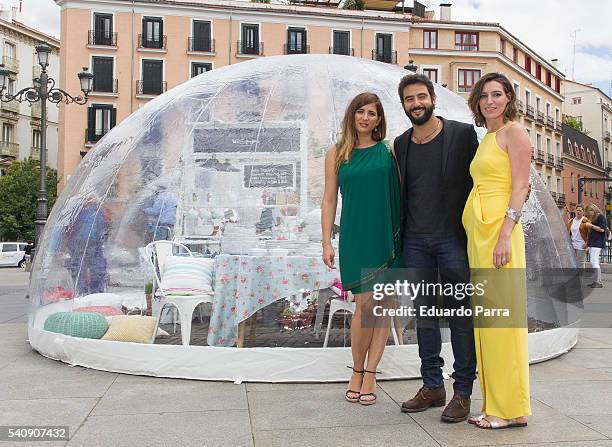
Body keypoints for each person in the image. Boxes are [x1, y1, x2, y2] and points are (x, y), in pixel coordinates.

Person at [394, 74, 478, 423]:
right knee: (424, 318)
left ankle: (462, 391)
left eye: (421, 97)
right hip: (415, 241)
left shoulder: (461, 134)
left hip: (452, 240)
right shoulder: (401, 144)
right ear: (403, 105)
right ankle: (432, 385)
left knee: (460, 316)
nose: (416, 104)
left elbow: (482, 178)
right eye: (409, 99)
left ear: (433, 99)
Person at [321, 92, 402, 406]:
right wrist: (326, 240)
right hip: (355, 236)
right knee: (363, 306)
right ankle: (356, 369)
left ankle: (371, 373)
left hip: (387, 236)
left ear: (379, 120)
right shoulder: (337, 153)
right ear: (352, 115)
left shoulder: (389, 152)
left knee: (382, 307)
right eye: (361, 112)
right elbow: (329, 199)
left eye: (373, 113)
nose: (366, 117)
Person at [463, 72, 531, 429]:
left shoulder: (514, 132)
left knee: (500, 322)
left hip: (498, 234)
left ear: (508, 99)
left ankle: (505, 410)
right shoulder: (487, 137)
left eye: (496, 94)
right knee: (490, 323)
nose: (489, 100)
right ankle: (507, 406)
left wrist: (506, 233)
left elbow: (521, 186)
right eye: (484, 95)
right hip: (481, 234)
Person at [584, 203, 607, 288]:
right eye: (587, 212)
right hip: (593, 243)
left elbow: (602, 229)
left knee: (594, 262)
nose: (589, 214)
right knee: (594, 262)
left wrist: (591, 226)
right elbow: (591, 233)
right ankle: (596, 281)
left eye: (589, 211)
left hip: (597, 243)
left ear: (593, 209)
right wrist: (588, 243)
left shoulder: (600, 217)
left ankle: (598, 282)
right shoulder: (594, 218)